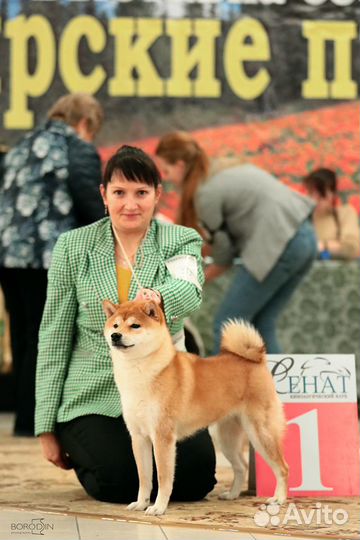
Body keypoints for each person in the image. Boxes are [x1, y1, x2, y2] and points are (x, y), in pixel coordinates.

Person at [35, 145, 216, 504]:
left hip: (164, 388)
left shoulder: (181, 239)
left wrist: (158, 299)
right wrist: (45, 427)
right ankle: (91, 450)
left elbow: (189, 289)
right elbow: (53, 335)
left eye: (141, 193)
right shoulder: (73, 247)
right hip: (93, 391)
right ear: (104, 195)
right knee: (116, 482)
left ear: (157, 195)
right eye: (119, 192)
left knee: (196, 478)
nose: (130, 204)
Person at [155, 131, 318, 354]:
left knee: (227, 324)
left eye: (166, 170)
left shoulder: (205, 192)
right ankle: (273, 389)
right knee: (262, 323)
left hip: (281, 244)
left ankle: (223, 389)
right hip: (306, 237)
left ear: (181, 165)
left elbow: (223, 254)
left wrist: (195, 281)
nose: (166, 177)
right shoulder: (221, 168)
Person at [0, 93, 104, 436]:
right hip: (46, 256)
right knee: (48, 335)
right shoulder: (78, 148)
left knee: (23, 333)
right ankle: (36, 422)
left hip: (7, 255)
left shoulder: (21, 145)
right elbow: (90, 199)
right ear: (85, 123)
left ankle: (23, 418)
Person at [303, 168, 360, 259]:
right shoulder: (303, 217)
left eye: (321, 194)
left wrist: (322, 246)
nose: (315, 199)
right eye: (311, 193)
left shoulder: (344, 213)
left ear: (333, 194)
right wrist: (332, 246)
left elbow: (351, 249)